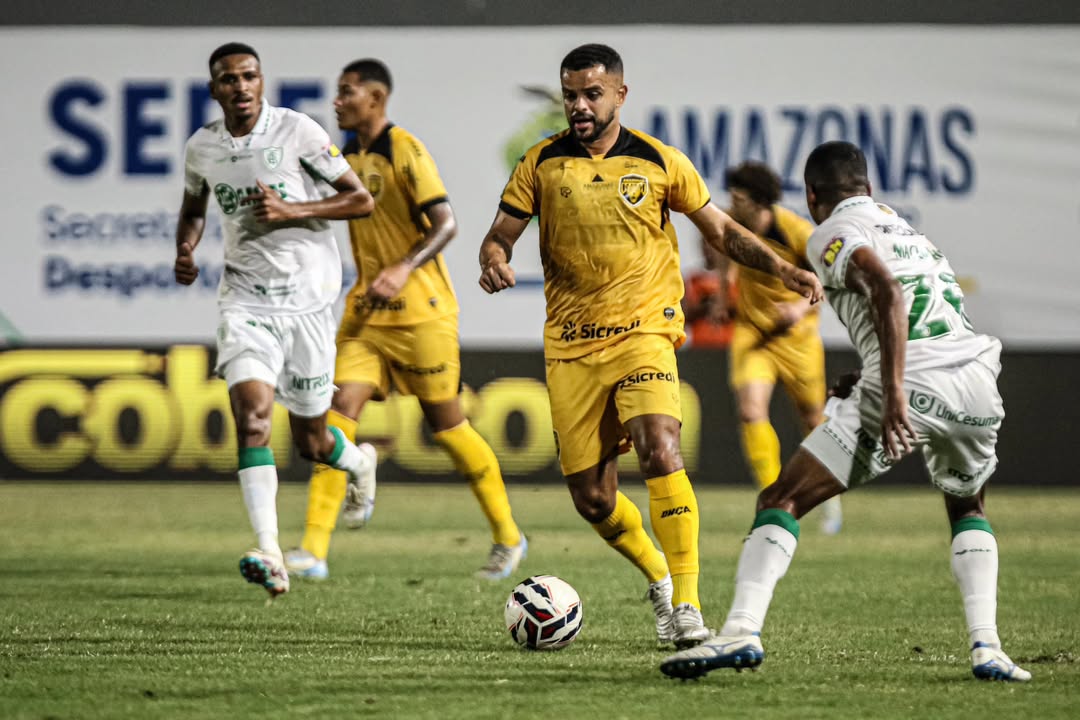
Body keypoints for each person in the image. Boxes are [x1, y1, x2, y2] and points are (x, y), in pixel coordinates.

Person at [478, 44, 823, 648]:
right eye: (570, 95)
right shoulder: (540, 164)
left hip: (644, 333)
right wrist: (494, 257)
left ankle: (687, 604)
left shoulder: (661, 162)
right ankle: (659, 578)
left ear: (619, 95)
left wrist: (782, 269)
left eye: (591, 94)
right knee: (592, 498)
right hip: (571, 345)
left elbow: (720, 230)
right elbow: (499, 234)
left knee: (661, 448)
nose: (579, 106)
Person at [660, 141, 1031, 682]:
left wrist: (895, 389)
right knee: (966, 505)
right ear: (871, 189)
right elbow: (928, 314)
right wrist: (872, 372)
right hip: (975, 382)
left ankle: (740, 630)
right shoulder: (915, 237)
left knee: (781, 497)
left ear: (812, 196)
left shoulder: (830, 232)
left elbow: (885, 291)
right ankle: (987, 647)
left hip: (911, 382)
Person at [283, 59, 526, 582]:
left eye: (347, 92)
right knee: (335, 413)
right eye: (337, 92)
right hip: (368, 314)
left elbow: (447, 223)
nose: (337, 101)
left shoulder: (405, 150)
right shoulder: (344, 156)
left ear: (376, 98)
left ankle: (509, 536)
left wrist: (402, 266)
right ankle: (313, 550)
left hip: (422, 313)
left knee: (447, 426)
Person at [174, 42, 377, 599]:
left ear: (261, 82)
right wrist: (185, 250)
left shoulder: (299, 132)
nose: (240, 87)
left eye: (249, 76)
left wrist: (295, 210)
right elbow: (193, 210)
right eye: (228, 79)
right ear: (214, 89)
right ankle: (269, 548)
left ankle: (359, 464)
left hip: (308, 301)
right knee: (254, 417)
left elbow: (360, 201)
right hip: (244, 301)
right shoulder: (202, 148)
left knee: (313, 442)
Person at [721, 161, 842, 534]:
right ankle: (773, 496)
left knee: (811, 420)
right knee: (750, 410)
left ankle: (829, 499)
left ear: (758, 202)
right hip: (753, 332)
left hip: (797, 339)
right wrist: (724, 288)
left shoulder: (795, 231)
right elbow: (729, 258)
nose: (731, 202)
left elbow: (828, 282)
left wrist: (797, 307)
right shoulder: (732, 224)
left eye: (738, 198)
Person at [682, 235, 737, 349]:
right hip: (700, 347)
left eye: (712, 244)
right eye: (704, 244)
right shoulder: (692, 279)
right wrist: (705, 306)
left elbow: (747, 310)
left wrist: (724, 304)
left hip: (730, 345)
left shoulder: (736, 278)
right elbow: (681, 315)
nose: (708, 249)